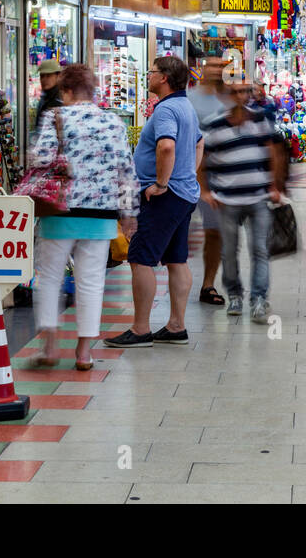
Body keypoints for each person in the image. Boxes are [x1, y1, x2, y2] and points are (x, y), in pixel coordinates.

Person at [31, 65, 138, 369]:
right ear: (93, 92)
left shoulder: (56, 117)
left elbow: (40, 158)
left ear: (65, 91)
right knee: (91, 281)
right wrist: (129, 213)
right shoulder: (113, 122)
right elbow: (126, 171)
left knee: (50, 278)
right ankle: (84, 352)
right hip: (101, 215)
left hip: (59, 210)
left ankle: (50, 345)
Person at [106, 56, 203, 347]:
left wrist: (162, 183)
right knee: (176, 259)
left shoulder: (165, 109)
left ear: (164, 78)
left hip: (167, 196)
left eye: (151, 72)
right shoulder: (186, 106)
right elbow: (199, 142)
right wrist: (187, 173)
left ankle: (140, 329)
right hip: (184, 193)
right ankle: (176, 326)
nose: (148, 76)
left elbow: (166, 146)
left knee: (140, 258)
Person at [199, 83, 285, 322]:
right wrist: (205, 190)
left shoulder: (260, 120)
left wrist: (274, 186)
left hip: (258, 198)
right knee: (229, 252)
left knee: (259, 250)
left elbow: (273, 152)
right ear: (228, 96)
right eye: (235, 92)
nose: (241, 96)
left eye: (245, 91)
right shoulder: (214, 124)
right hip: (227, 200)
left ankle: (258, 298)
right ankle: (235, 295)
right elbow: (202, 158)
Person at [187, 57, 228, 306]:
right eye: (211, 66)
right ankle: (177, 277)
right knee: (181, 230)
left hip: (220, 176)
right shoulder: (190, 99)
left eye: (220, 67)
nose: (216, 70)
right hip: (188, 174)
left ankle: (208, 283)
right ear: (202, 69)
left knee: (215, 232)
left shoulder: (230, 99)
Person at [35, 58, 62, 126]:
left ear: (58, 76)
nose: (44, 79)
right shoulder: (46, 95)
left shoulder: (60, 99)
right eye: (42, 76)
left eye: (48, 76)